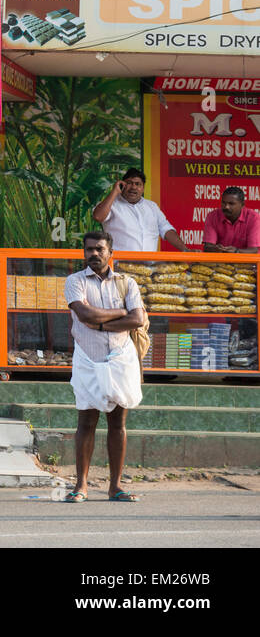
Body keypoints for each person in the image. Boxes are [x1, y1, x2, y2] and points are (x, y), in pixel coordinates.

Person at [63, 230, 146, 502]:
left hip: (121, 357)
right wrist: (121, 312)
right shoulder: (75, 282)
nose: (94, 254)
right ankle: (81, 486)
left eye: (99, 249)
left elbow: (137, 320)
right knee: (86, 421)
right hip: (87, 358)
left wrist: (100, 322)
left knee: (118, 423)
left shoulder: (127, 283)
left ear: (110, 252)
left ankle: (115, 486)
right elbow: (84, 314)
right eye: (89, 249)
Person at [92, 167, 188, 252]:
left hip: (148, 269)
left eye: (138, 184)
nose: (133, 187)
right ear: (122, 185)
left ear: (143, 188)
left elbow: (166, 229)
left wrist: (185, 250)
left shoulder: (152, 206)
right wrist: (114, 191)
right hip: (119, 267)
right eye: (129, 183)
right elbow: (98, 216)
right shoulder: (112, 204)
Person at [203, 186, 260, 254]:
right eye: (224, 203)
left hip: (246, 263)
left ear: (242, 205)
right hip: (220, 261)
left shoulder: (253, 218)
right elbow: (207, 247)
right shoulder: (212, 216)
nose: (226, 207)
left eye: (231, 204)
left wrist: (237, 251)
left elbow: (254, 250)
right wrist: (216, 249)